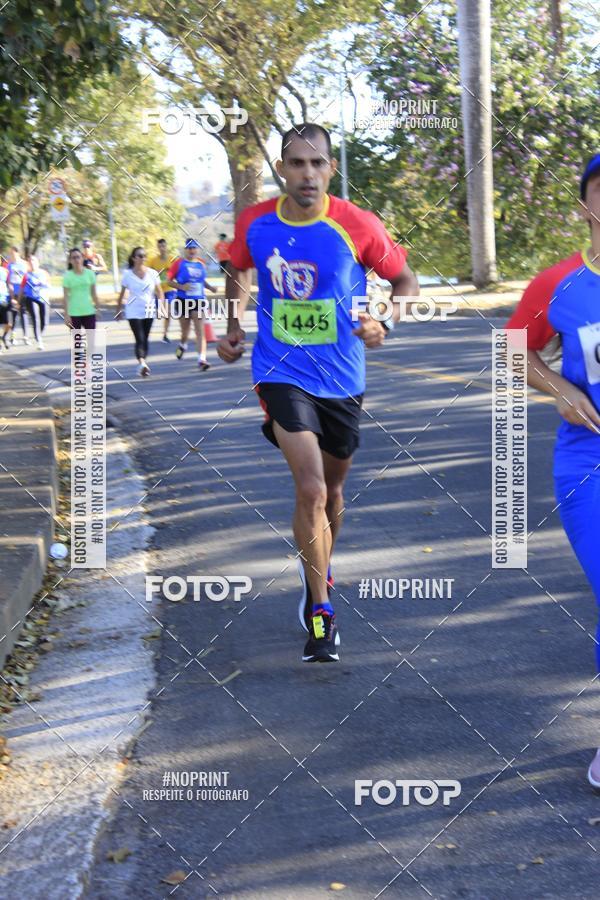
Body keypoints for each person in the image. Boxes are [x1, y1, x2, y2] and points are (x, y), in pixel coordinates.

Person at [218, 122, 419, 662]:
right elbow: (238, 268)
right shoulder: (256, 222)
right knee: (309, 488)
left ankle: (320, 567)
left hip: (343, 377)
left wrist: (384, 321)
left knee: (332, 492)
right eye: (296, 163)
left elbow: (406, 283)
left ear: (330, 169)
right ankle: (320, 611)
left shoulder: (357, 223)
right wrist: (232, 327)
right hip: (280, 369)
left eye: (317, 163)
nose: (307, 173)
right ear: (281, 169)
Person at [506, 152, 600, 789]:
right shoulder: (559, 284)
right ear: (586, 205)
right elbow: (514, 348)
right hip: (589, 462)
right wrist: (558, 388)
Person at [168, 238, 217, 371]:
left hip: (198, 300)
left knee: (200, 331)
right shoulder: (178, 263)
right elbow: (168, 281)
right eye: (189, 248)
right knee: (185, 332)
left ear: (197, 250)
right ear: (185, 249)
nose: (192, 250)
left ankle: (202, 359)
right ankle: (183, 344)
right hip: (183, 300)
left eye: (194, 248)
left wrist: (210, 288)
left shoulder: (201, 264)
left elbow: (202, 281)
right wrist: (181, 287)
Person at [116, 246, 163, 377]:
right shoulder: (128, 274)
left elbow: (160, 292)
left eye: (144, 256)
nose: (143, 258)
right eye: (140, 256)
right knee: (139, 338)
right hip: (133, 311)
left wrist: (161, 308)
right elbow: (122, 294)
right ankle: (142, 363)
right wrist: (119, 310)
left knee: (145, 338)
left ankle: (142, 364)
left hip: (149, 310)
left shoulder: (152, 273)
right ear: (134, 258)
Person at [148, 238, 177, 342]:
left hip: (170, 289)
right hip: (158, 290)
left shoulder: (172, 259)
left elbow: (178, 272)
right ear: (157, 247)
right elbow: (147, 273)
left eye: (163, 246)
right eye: (160, 246)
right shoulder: (153, 261)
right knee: (162, 313)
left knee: (167, 313)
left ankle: (165, 334)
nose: (162, 248)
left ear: (166, 247)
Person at [19, 255, 51, 350]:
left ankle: (38, 334)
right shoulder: (26, 275)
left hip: (43, 298)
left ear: (38, 263)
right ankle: (39, 340)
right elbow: (21, 288)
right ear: (28, 264)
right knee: (35, 318)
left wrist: (44, 284)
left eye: (33, 261)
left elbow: (49, 285)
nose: (32, 263)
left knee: (44, 322)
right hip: (31, 298)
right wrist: (18, 301)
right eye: (30, 261)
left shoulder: (44, 273)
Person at [63, 247, 99, 329]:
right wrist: (66, 315)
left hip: (89, 312)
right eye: (73, 258)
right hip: (73, 313)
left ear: (82, 258)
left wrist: (97, 309)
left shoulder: (90, 274)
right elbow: (65, 297)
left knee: (91, 337)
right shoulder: (67, 276)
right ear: (70, 260)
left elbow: (94, 294)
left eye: (78, 257)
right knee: (77, 338)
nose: (76, 260)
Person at [7, 247, 29, 344]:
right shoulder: (9, 265)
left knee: (23, 313)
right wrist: (12, 296)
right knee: (13, 315)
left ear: (17, 253)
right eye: (10, 254)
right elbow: (9, 281)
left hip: (23, 292)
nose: (11, 255)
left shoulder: (24, 264)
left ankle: (25, 336)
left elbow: (27, 278)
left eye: (13, 253)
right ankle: (13, 337)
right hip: (13, 293)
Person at [0, 262, 10, 349]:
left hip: (5, 299)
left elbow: (10, 284)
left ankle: (4, 336)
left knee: (9, 323)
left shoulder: (5, 271)